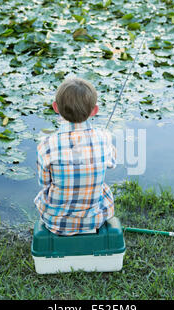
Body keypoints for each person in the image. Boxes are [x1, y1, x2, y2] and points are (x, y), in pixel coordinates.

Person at [34, 77, 116, 236]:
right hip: (94, 220)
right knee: (104, 189)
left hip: (55, 222)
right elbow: (112, 162)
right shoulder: (104, 137)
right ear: (94, 111)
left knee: (45, 193)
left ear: (55, 107)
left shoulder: (46, 145)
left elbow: (44, 183)